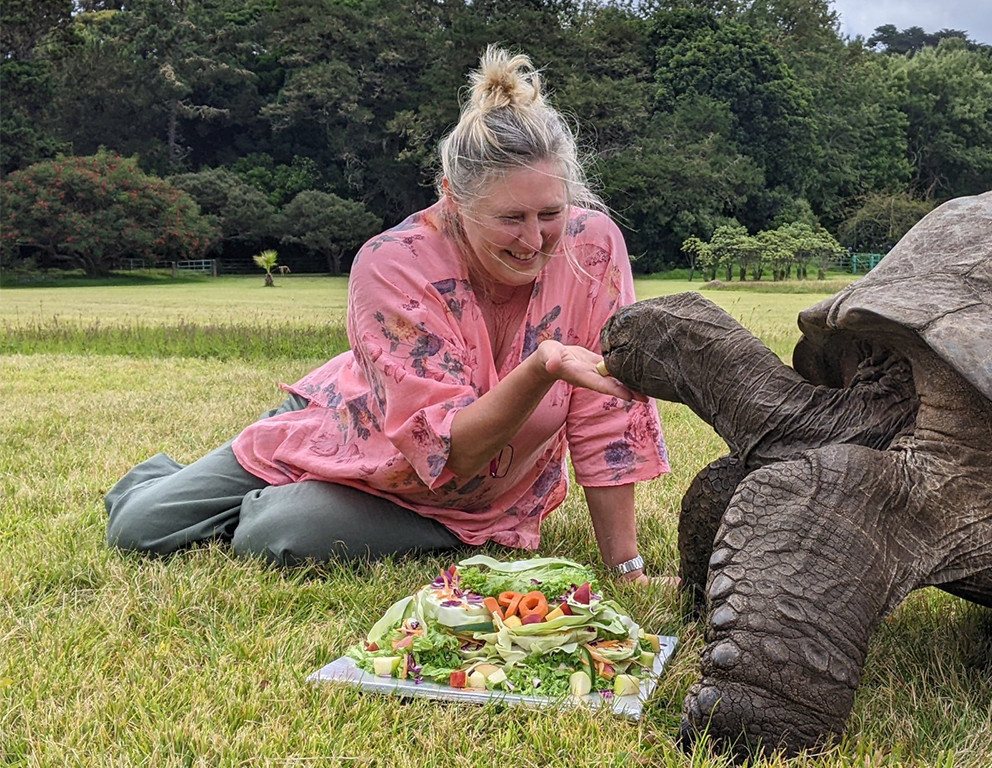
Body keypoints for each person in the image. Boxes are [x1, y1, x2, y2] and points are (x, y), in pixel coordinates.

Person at [105, 45, 670, 583]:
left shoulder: (591, 245)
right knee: (139, 528)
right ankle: (222, 474)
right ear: (453, 196)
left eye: (550, 212)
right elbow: (454, 444)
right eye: (511, 218)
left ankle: (290, 504)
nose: (535, 239)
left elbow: (608, 417)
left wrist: (625, 566)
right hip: (349, 422)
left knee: (278, 534)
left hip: (460, 498)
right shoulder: (390, 262)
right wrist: (540, 368)